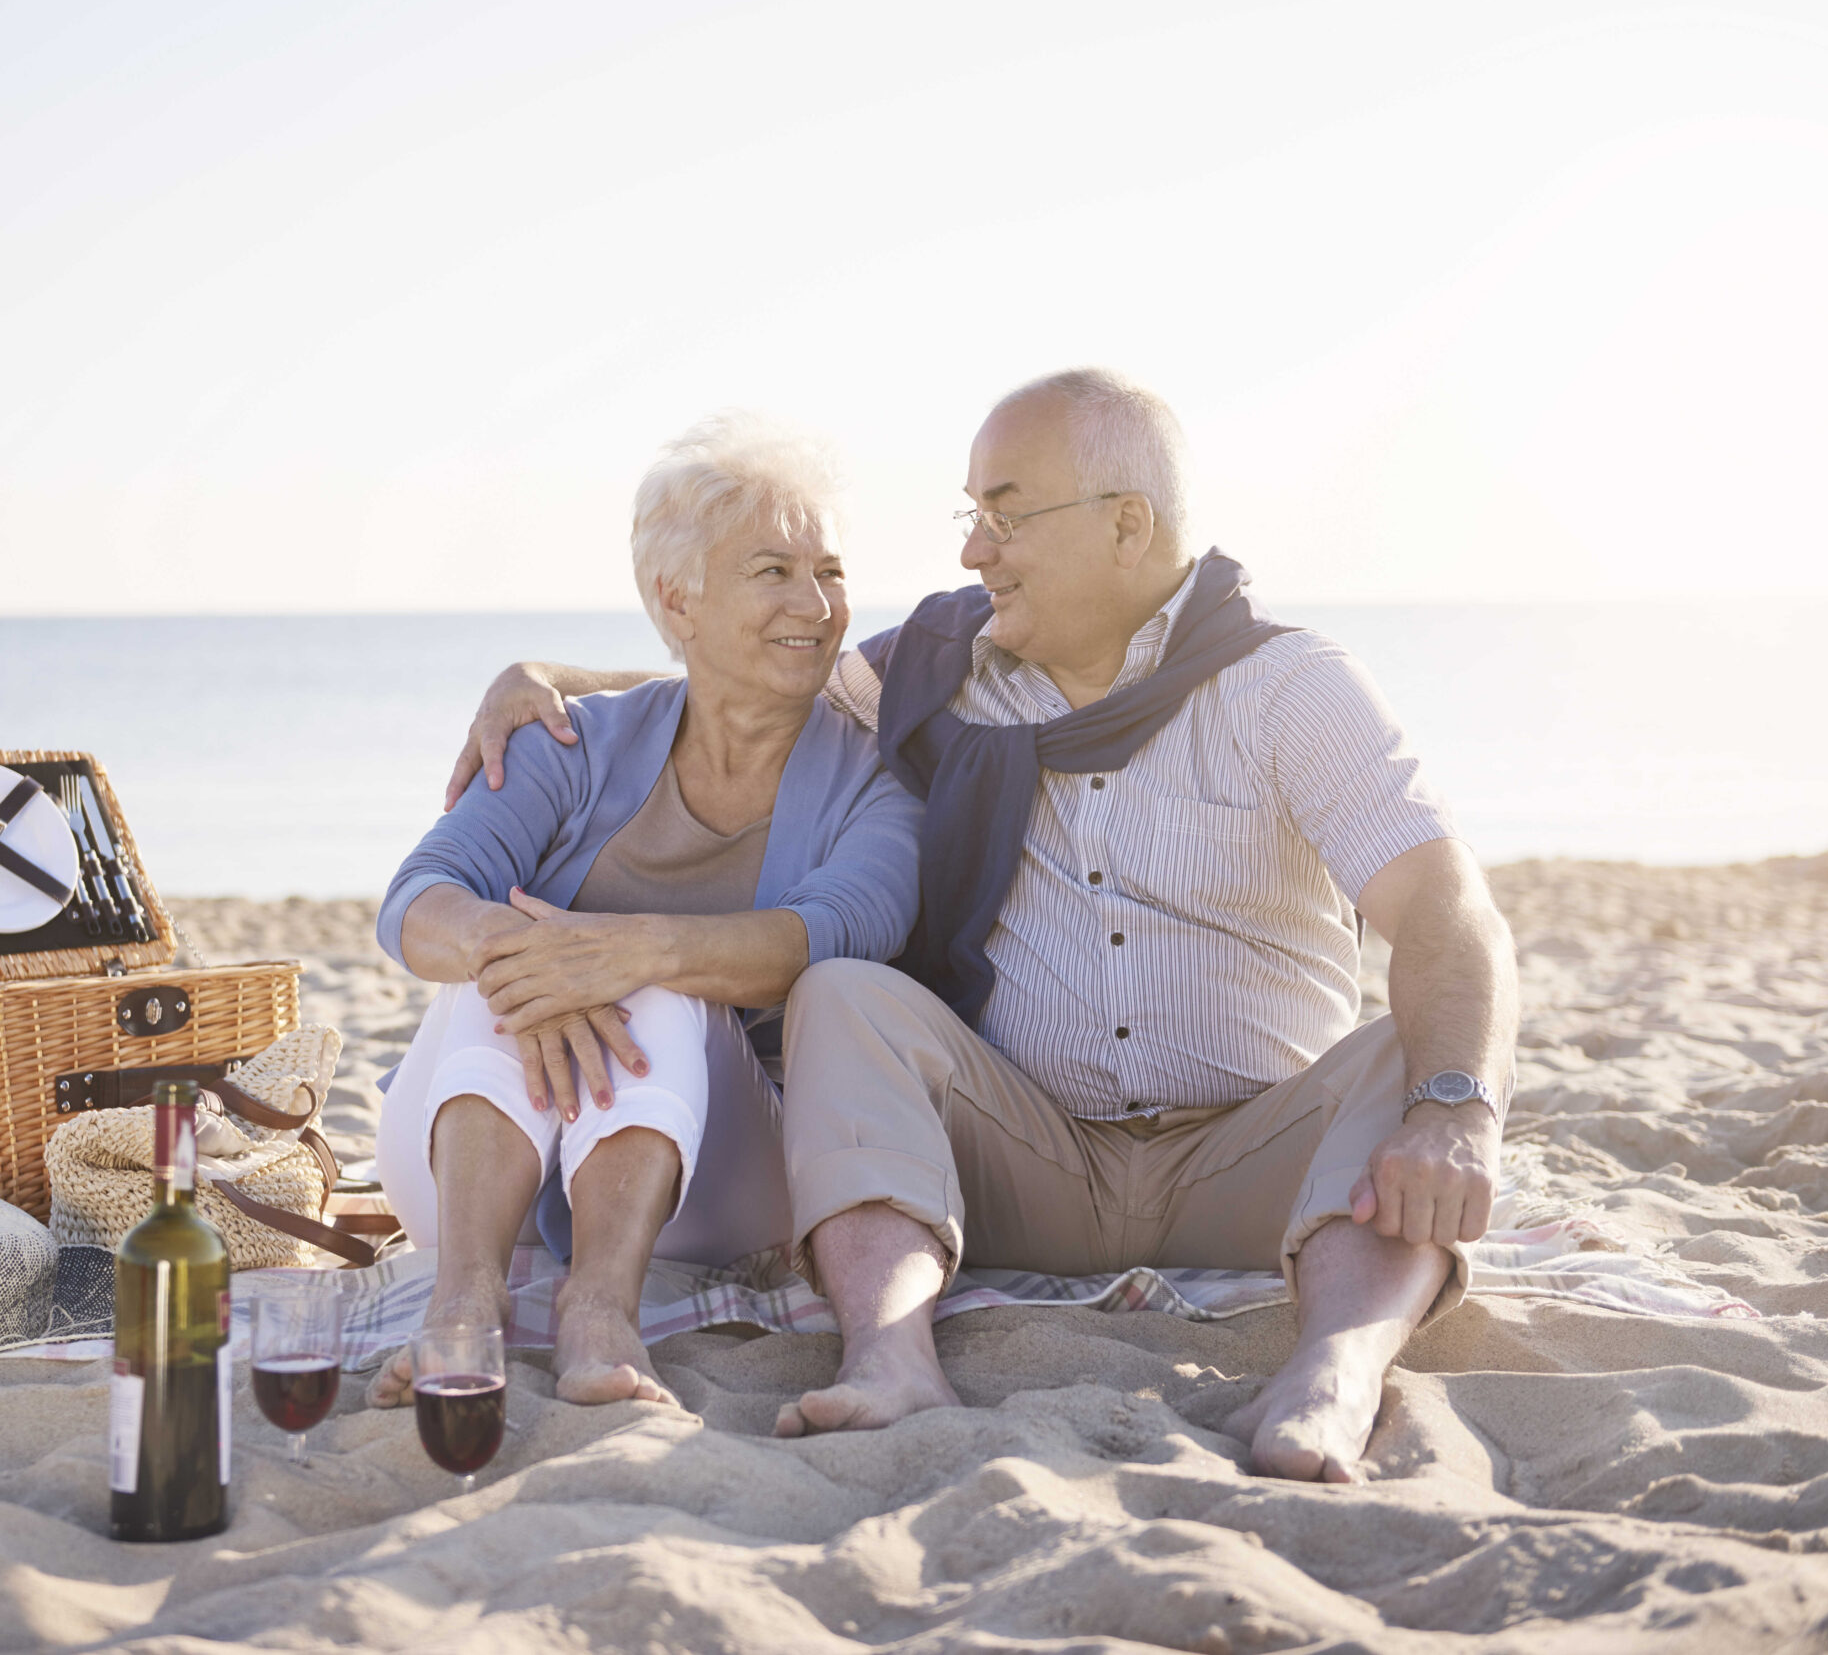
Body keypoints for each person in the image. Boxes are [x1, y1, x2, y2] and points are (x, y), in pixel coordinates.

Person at [444, 368, 1518, 1479]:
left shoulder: (1288, 687)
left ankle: (1332, 1371)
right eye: (972, 518)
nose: (973, 551)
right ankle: (890, 1352)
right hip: (1026, 1161)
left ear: (1125, 524)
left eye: (1004, 516)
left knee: (1421, 1047)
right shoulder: (949, 666)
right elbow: (749, 672)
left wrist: (1455, 1108)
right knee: (845, 990)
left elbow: (1445, 907)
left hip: (1255, 1160)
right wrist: (545, 677)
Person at [370, 413, 921, 1409]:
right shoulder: (571, 743)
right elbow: (417, 899)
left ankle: (600, 1307)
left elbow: (844, 931)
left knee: (659, 984)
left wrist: (626, 951)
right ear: (677, 597)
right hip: (468, 1174)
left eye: (830, 571)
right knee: (504, 949)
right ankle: (464, 1294)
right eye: (772, 571)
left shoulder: (874, 775)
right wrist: (521, 951)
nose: (816, 603)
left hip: (718, 1182)